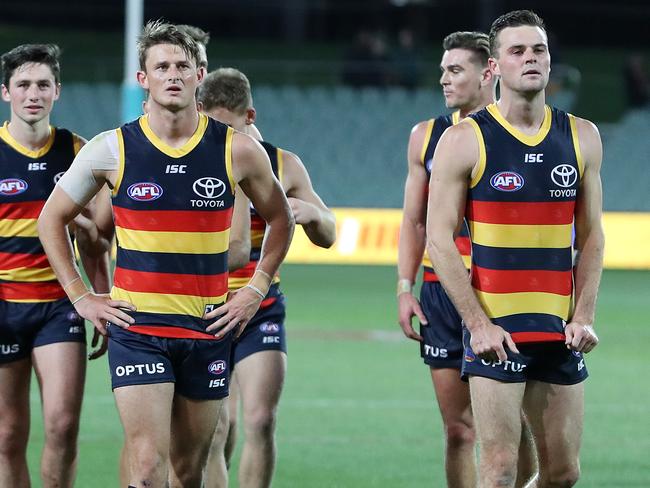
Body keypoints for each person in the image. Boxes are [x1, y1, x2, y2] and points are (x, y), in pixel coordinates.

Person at [37, 21, 294, 488]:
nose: (172, 74)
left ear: (200, 73)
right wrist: (81, 296)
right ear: (143, 79)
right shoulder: (110, 149)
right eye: (161, 67)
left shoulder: (238, 151)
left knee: (187, 470)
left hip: (208, 327)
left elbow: (282, 219)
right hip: (139, 329)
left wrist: (255, 289)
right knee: (147, 467)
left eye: (181, 66)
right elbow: (50, 219)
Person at [426, 10, 603, 488]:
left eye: (539, 49)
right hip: (496, 333)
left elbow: (591, 237)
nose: (531, 58)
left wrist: (583, 314)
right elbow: (438, 238)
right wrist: (477, 324)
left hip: (559, 329)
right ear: (495, 68)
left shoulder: (582, 136)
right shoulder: (464, 140)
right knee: (500, 470)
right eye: (517, 50)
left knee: (564, 473)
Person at [397, 31, 537, 488]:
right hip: (441, 292)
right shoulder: (426, 137)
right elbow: (414, 221)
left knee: (513, 427)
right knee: (458, 430)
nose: (444, 79)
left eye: (455, 70)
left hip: (502, 294)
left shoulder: (520, 136)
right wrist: (405, 286)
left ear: (487, 73)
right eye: (443, 70)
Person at [198, 67, 336, 488]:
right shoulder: (190, 166)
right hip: (206, 310)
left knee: (260, 419)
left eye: (230, 127)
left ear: (250, 117)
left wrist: (313, 215)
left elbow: (328, 234)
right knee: (218, 429)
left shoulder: (282, 164)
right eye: (212, 126)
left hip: (260, 307)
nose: (222, 137)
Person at [0, 44, 111, 487]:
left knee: (63, 428)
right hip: (5, 304)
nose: (33, 93)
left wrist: (100, 297)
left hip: (59, 306)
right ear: (5, 92)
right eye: (23, 84)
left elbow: (99, 241)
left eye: (42, 84)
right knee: (8, 435)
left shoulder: (78, 151)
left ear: (57, 91)